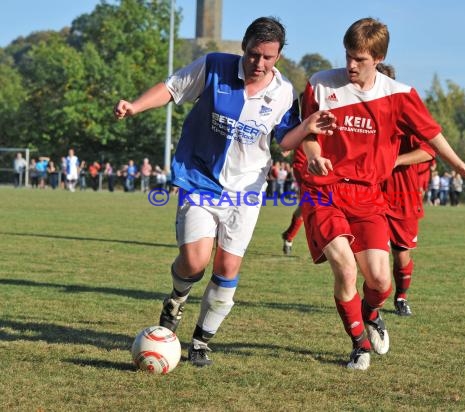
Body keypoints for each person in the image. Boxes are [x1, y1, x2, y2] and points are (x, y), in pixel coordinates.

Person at [114, 16, 336, 367]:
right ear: (243, 47)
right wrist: (135, 105)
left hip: (246, 191)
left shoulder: (282, 92)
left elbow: (287, 141)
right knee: (194, 261)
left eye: (267, 57)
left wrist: (309, 132)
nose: (258, 64)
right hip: (200, 178)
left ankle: (201, 340)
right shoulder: (215, 66)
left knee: (228, 265)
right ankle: (176, 299)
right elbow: (171, 88)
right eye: (252, 54)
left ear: (277, 56)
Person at [298, 17, 465, 371]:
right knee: (344, 270)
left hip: (368, 196)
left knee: (380, 281)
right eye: (347, 55)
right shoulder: (320, 84)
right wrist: (313, 156)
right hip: (323, 193)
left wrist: (461, 167)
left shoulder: (399, 95)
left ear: (378, 58)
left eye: (359, 59)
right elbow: (308, 132)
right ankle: (359, 346)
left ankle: (370, 314)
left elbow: (432, 134)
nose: (350, 65)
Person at [376, 62, 436, 317]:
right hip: (371, 194)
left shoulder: (406, 118)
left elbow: (428, 150)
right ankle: (372, 303)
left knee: (401, 255)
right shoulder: (363, 115)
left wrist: (396, 160)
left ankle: (401, 297)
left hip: (403, 197)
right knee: (370, 254)